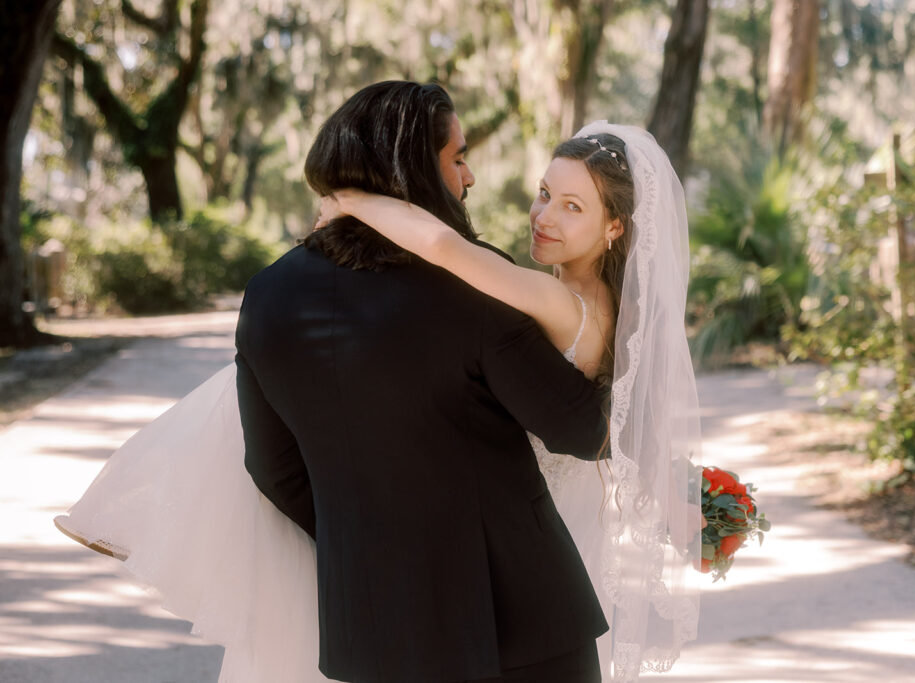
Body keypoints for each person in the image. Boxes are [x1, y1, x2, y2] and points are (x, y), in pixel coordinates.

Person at [55, 81, 611, 683]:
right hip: (519, 620)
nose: (469, 177)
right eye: (456, 158)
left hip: (369, 626)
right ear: (414, 171)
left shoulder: (268, 295)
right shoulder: (474, 285)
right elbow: (579, 428)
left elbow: (273, 470)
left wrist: (369, 533)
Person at [316, 122, 704, 680]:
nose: (544, 217)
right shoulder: (617, 310)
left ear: (615, 227)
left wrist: (351, 200)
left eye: (573, 207)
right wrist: (678, 499)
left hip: (521, 517)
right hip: (562, 513)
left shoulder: (561, 300)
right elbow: (633, 427)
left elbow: (447, 249)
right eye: (545, 194)